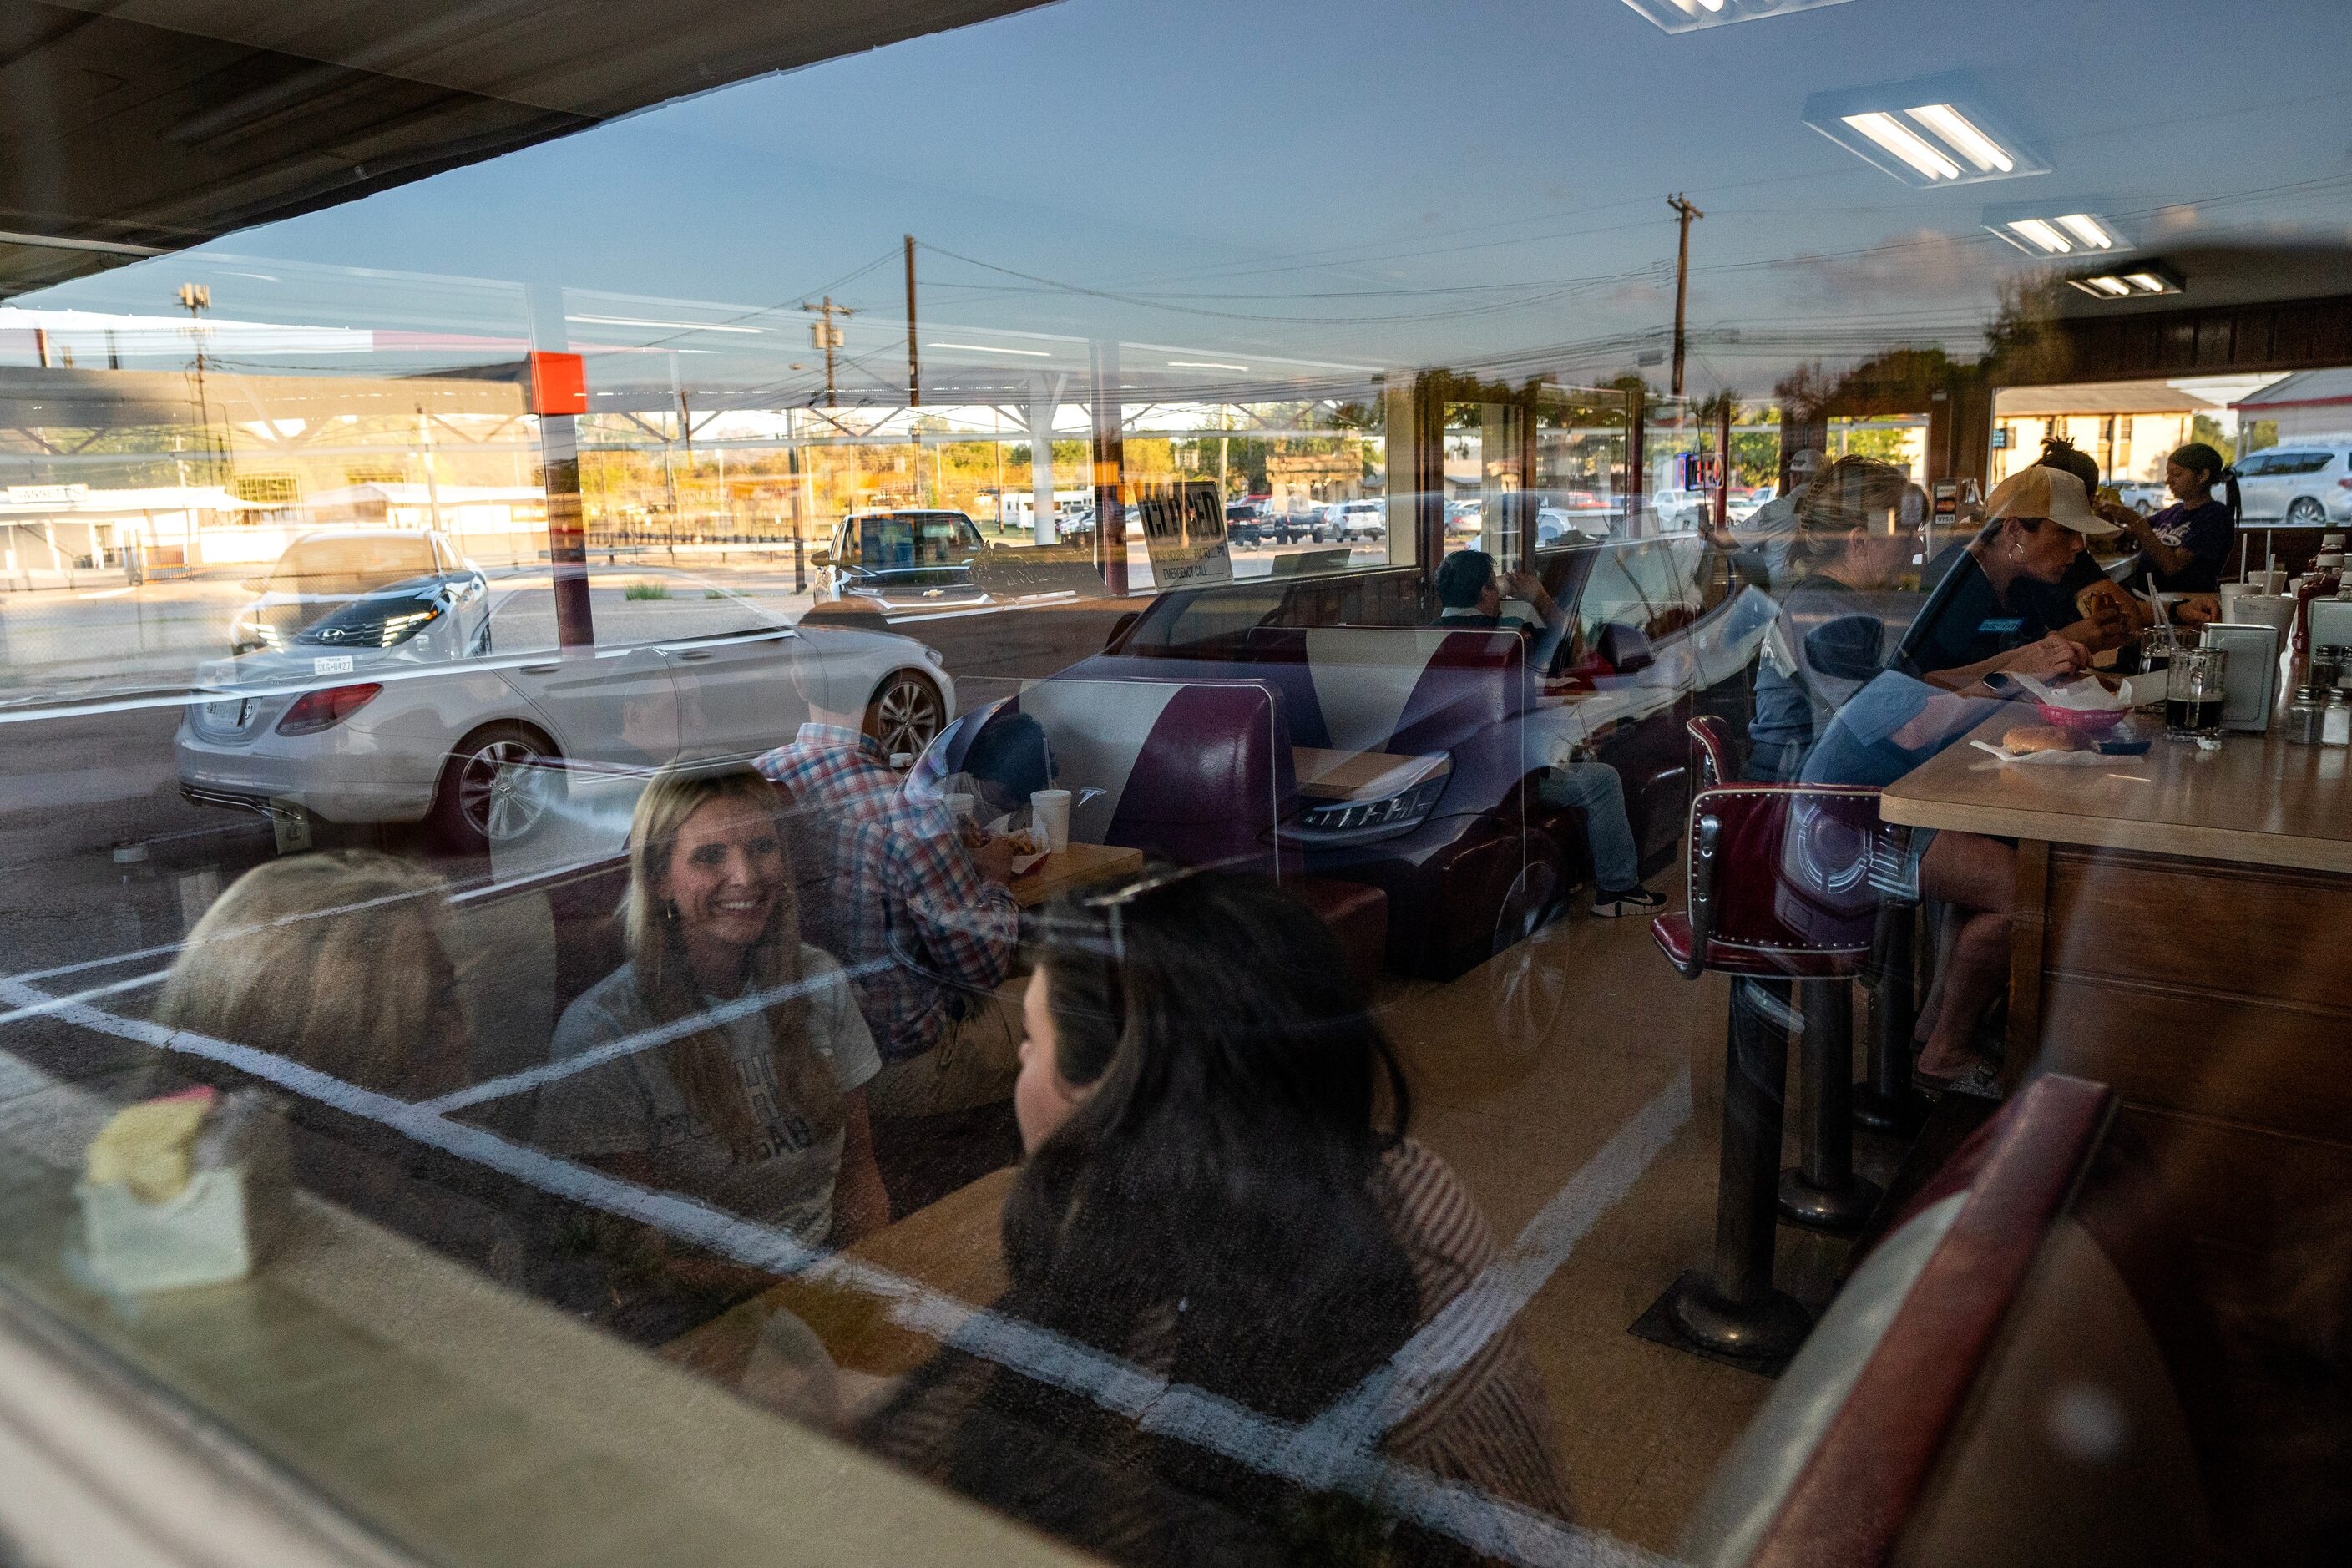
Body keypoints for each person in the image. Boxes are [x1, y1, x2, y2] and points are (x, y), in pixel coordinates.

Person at [862, 872, 1566, 1562]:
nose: (1020, 1058)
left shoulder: (1153, 1324)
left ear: (1116, 1094)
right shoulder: (1406, 1182)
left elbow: (990, 1451)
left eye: (1034, 1042)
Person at [535, 761, 890, 1246]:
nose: (745, 876)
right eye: (709, 856)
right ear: (660, 878)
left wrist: (867, 1282)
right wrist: (805, 1296)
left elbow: (859, 1173)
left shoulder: (819, 980)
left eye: (762, 847)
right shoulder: (603, 1033)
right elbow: (640, 1256)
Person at [154, 850, 529, 1277]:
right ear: (338, 1044)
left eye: (450, 992)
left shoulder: (456, 1168)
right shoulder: (265, 1230)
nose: (461, 1031)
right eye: (432, 1007)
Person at [757, 665, 1027, 1121]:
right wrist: (995, 878)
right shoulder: (907, 809)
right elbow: (981, 964)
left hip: (800, 1067)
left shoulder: (760, 775)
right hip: (901, 1066)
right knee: (1084, 1002)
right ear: (887, 692)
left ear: (799, 680)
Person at [1798, 673, 2021, 1099]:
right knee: (2020, 895)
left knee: (1985, 880)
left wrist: (2018, 670)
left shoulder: (1904, 666)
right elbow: (1915, 730)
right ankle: (1946, 1054)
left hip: (1854, 820)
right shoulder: (1892, 677)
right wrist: (2014, 675)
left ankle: (1935, 1026)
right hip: (1841, 838)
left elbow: (1966, 678)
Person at [1439, 550, 1662, 914]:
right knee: (1603, 779)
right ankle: (1618, 891)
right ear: (1485, 593)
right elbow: (1574, 651)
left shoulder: (1424, 638)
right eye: (1493, 587)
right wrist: (1539, 597)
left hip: (1451, 776)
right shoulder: (1506, 644)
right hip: (1507, 781)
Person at [1746, 456, 1914, 781]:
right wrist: (1997, 695)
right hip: (1802, 802)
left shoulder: (1838, 601)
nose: (1919, 545)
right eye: (1907, 535)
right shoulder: (1824, 609)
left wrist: (2008, 666)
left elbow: (1917, 689)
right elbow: (1907, 729)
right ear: (1860, 541)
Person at [1896, 465, 2131, 690]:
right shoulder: (1955, 581)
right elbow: (1922, 686)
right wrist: (2059, 643)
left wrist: (2064, 647)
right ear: (2014, 530)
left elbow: (2019, 638)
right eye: (2065, 531)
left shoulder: (2023, 579)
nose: (2079, 545)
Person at [2115, 441, 2240, 595]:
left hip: (2184, 604)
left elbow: (2172, 567)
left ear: (2202, 476)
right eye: (2169, 474)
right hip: (2151, 599)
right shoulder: (2173, 512)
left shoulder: (2215, 517)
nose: (2169, 481)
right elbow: (2130, 533)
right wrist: (2107, 516)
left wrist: (2134, 519)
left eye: (2177, 474)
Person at [1713, 446, 1822, 589]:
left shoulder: (1777, 510)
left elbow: (1725, 540)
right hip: (1828, 595)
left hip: (1785, 600)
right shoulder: (1837, 508)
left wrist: (1705, 529)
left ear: (1796, 477)